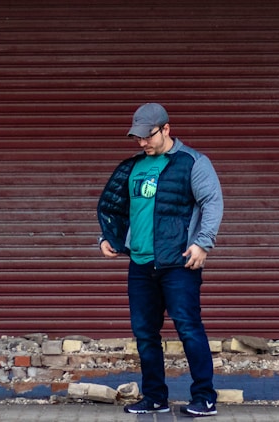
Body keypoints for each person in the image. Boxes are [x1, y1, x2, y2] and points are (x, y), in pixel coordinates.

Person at [97, 103, 224, 417]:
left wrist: (202, 244)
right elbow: (116, 207)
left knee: (189, 329)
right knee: (144, 333)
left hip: (178, 263)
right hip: (140, 264)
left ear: (166, 129)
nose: (142, 143)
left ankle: (205, 398)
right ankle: (155, 397)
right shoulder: (132, 167)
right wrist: (107, 238)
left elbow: (212, 202)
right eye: (137, 138)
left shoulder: (193, 162)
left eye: (148, 136)